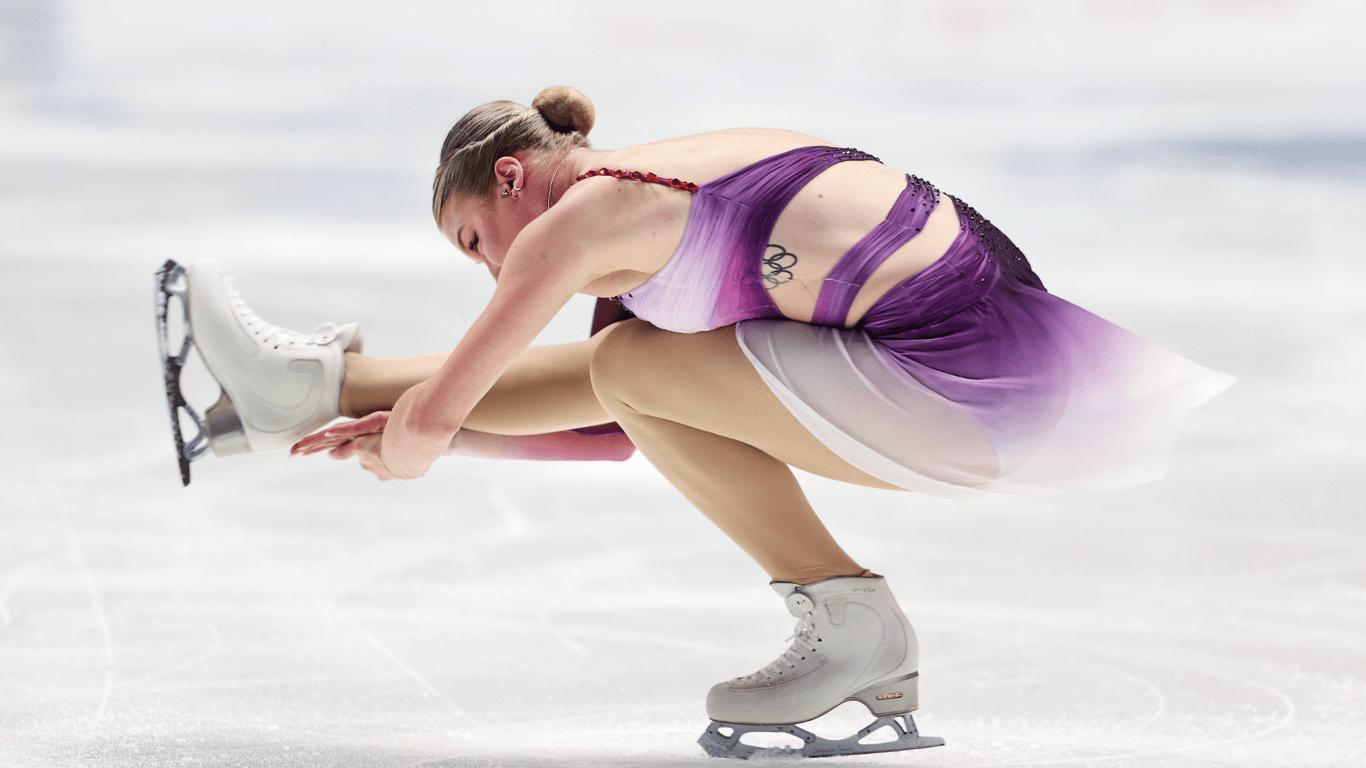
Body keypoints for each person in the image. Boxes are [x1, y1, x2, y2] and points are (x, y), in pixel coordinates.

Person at [162, 85, 1234, 757]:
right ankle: (297, 389)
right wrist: (380, 419)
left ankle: (855, 627)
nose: (491, 263)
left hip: (977, 387)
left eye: (472, 241)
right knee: (629, 364)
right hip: (993, 376)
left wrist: (409, 435)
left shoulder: (582, 221)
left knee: (628, 358)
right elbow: (616, 420)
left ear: (509, 176)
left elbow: (447, 427)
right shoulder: (651, 198)